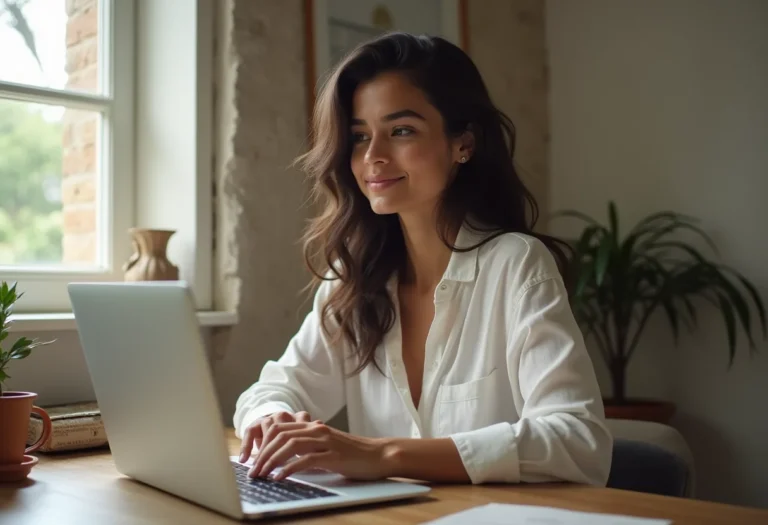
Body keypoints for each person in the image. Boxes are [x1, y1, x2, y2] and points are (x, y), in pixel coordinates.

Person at [234, 32, 612, 485]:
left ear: (463, 144)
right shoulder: (355, 279)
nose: (372, 156)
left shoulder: (516, 266)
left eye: (401, 131)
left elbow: (577, 440)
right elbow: (274, 388)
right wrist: (273, 420)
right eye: (358, 136)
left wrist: (384, 454)